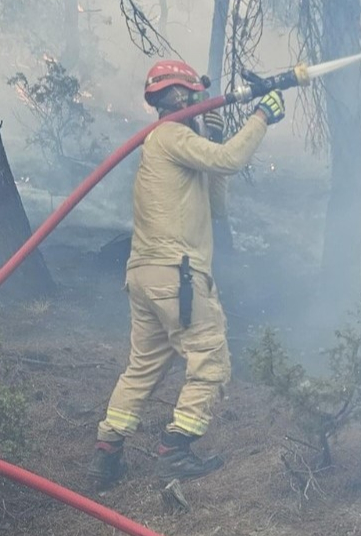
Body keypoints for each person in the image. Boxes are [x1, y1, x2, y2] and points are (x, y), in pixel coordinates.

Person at [88, 60, 286, 489]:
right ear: (183, 98)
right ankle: (175, 448)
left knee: (142, 369)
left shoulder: (169, 144)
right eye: (195, 96)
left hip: (146, 277)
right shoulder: (172, 136)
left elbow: (217, 203)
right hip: (176, 276)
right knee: (210, 359)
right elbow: (231, 160)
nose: (199, 102)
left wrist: (211, 135)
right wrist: (262, 115)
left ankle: (106, 455)